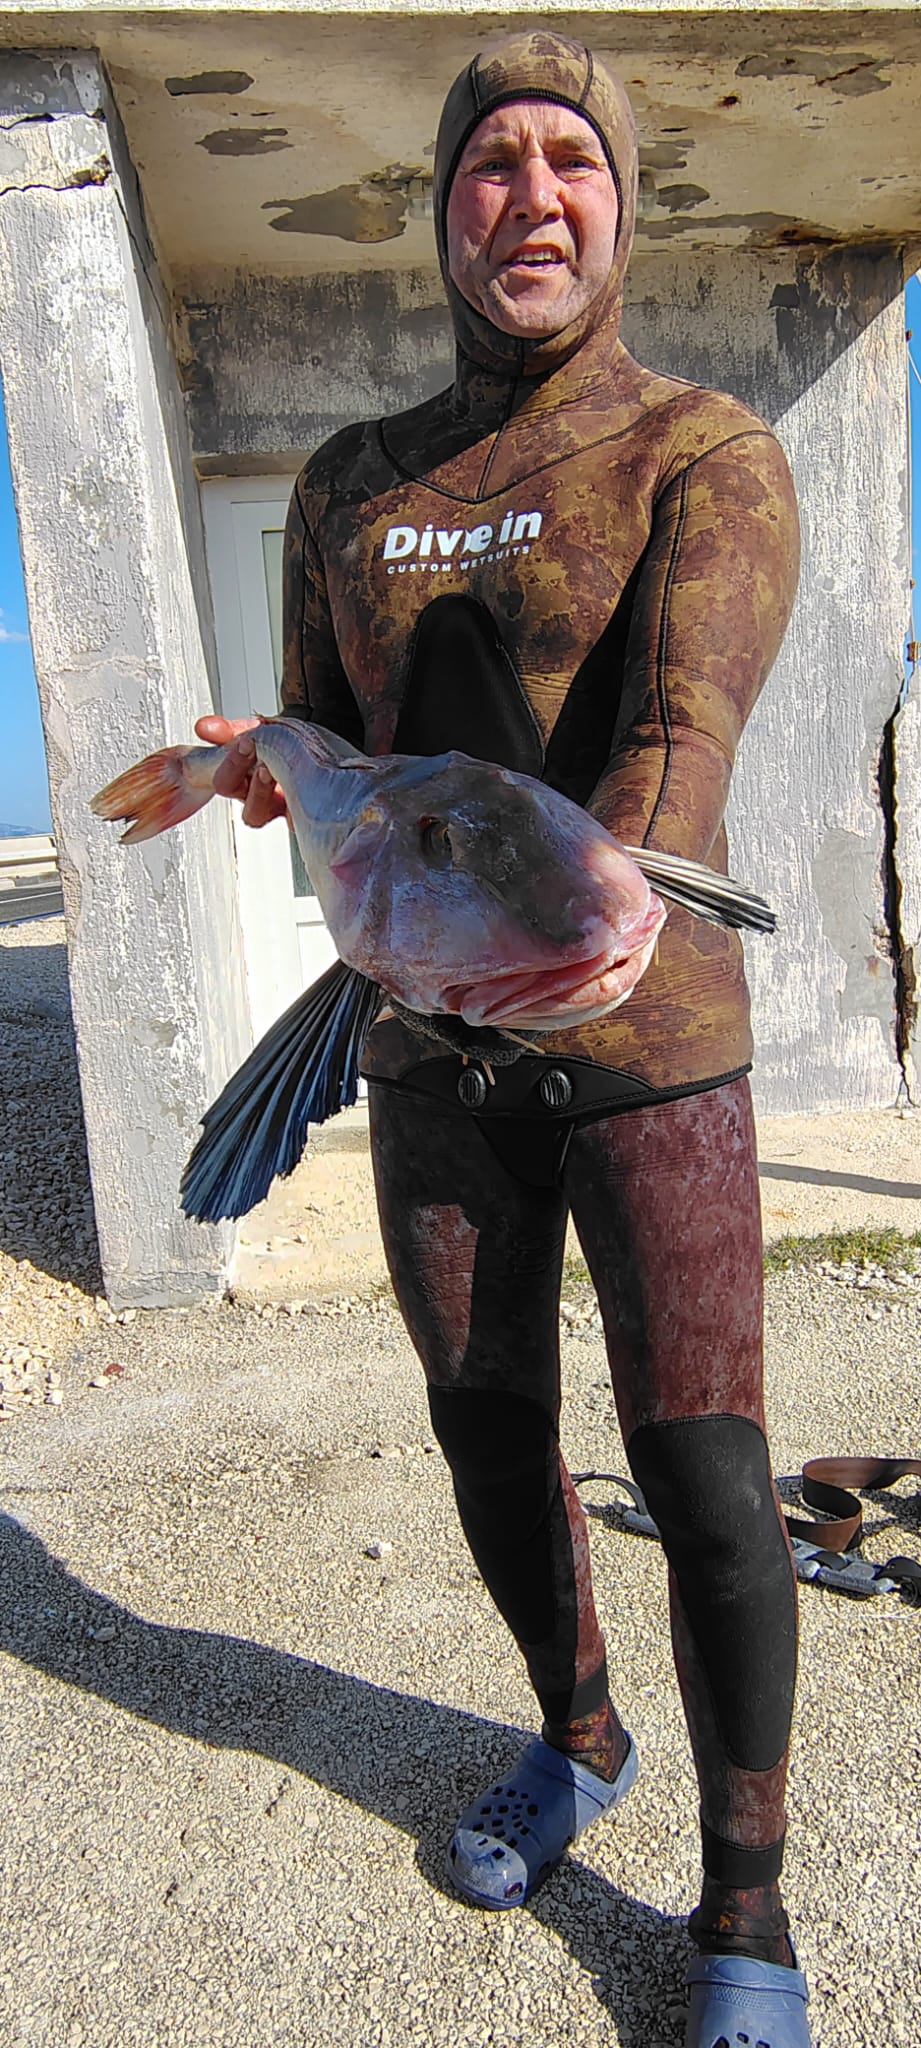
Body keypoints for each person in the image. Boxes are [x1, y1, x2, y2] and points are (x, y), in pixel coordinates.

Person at [198, 33, 808, 2047]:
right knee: (480, 1426)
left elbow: (676, 745)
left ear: (619, 205)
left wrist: (567, 922)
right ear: (442, 207)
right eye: (489, 162)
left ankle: (741, 1903)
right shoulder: (345, 486)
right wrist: (270, 769)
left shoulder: (699, 449)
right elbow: (337, 748)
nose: (530, 195)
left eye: (571, 161)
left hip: (641, 1030)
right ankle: (575, 1734)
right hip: (417, 1046)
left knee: (700, 1465)